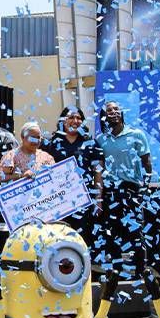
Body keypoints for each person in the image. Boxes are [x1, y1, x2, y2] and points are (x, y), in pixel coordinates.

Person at [96, 100, 154, 289]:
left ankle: (140, 272)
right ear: (104, 116)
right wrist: (99, 196)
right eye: (109, 110)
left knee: (135, 233)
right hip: (111, 191)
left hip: (131, 189)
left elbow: (147, 163)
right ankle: (114, 273)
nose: (113, 112)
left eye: (116, 109)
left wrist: (144, 186)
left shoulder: (136, 134)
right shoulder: (101, 140)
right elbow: (99, 168)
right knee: (111, 233)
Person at [43, 107, 102, 250]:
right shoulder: (51, 143)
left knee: (82, 238)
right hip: (58, 201)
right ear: (63, 121)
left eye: (78, 118)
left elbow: (98, 173)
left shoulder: (91, 143)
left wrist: (98, 200)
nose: (75, 121)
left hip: (83, 200)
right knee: (59, 238)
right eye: (71, 117)